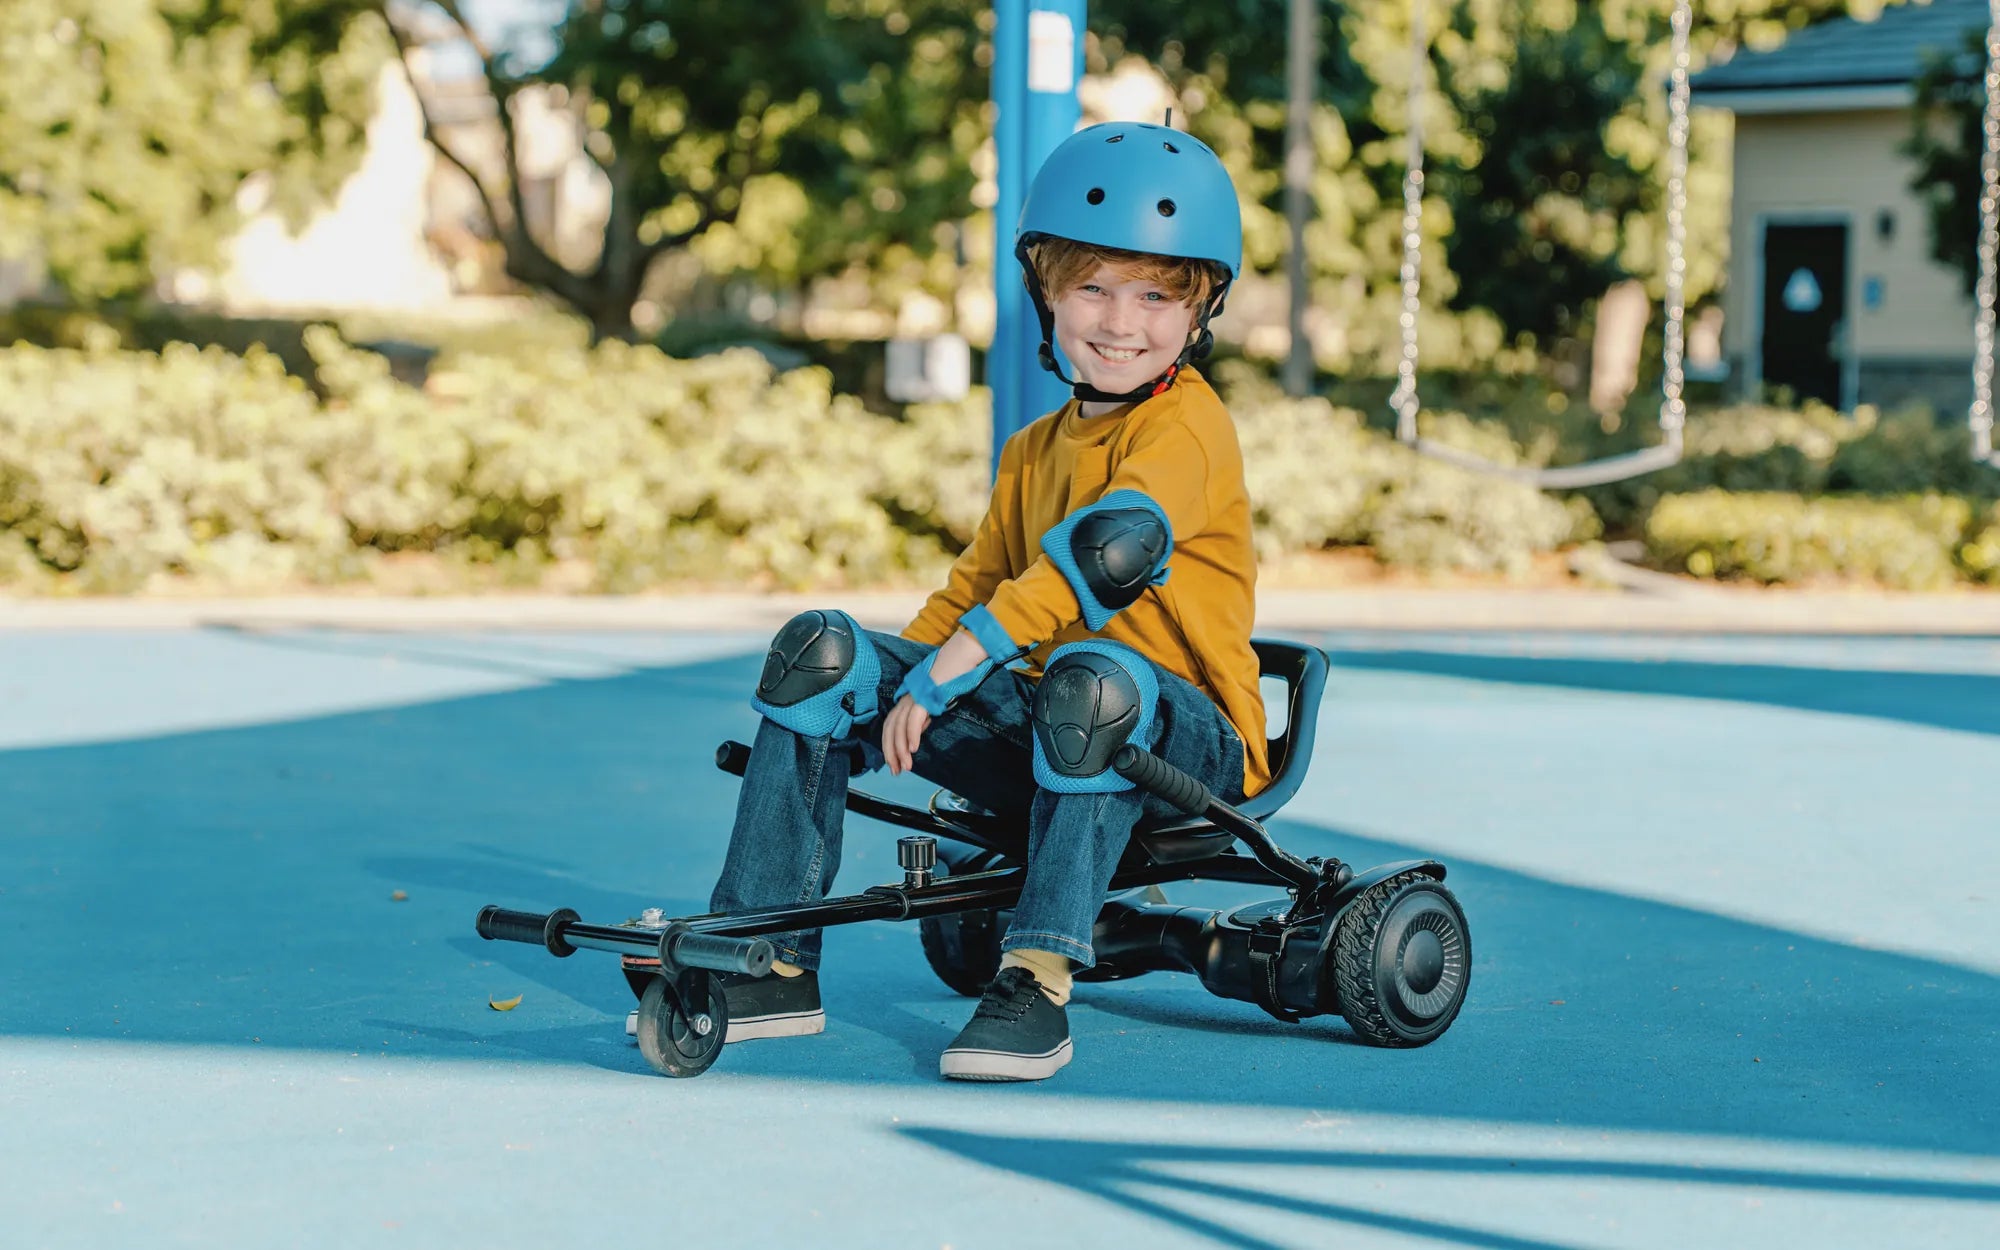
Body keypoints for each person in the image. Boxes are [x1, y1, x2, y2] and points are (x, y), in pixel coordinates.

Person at [689, 119, 1268, 1081]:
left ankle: (1036, 980)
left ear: (1199, 309)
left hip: (1191, 737)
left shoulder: (1189, 429)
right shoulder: (1035, 449)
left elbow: (1100, 561)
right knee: (822, 654)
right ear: (1045, 289)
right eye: (1092, 287)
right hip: (1057, 719)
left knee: (1093, 677)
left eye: (1156, 295)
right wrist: (887, 692)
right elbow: (976, 585)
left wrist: (949, 674)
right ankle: (767, 955)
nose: (1122, 321)